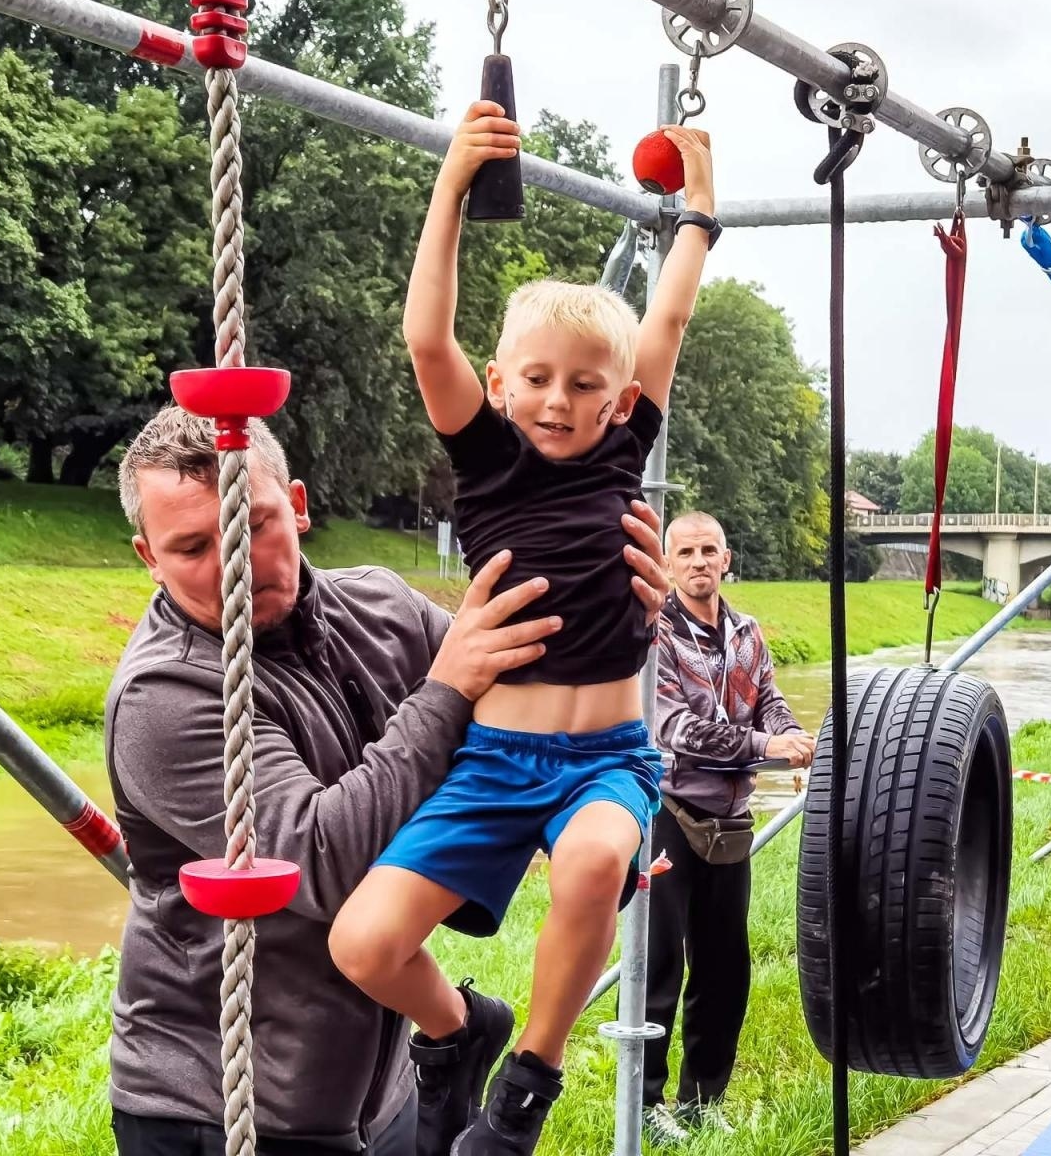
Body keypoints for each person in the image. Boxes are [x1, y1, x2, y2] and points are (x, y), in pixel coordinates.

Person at [105, 405, 670, 1156]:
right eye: (192, 546)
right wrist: (443, 689)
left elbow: (524, 716)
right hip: (225, 1106)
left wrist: (617, 609)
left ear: (299, 506)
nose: (233, 558)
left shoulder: (380, 604)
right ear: (149, 556)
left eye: (257, 522)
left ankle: (461, 1038)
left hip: (388, 1085)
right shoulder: (164, 696)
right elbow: (321, 865)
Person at [327, 101, 720, 1156]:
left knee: (595, 863)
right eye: (537, 380)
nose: (558, 400)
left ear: (616, 398)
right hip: (492, 758)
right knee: (362, 943)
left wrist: (700, 212)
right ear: (501, 385)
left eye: (585, 385)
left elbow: (669, 323)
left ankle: (526, 1087)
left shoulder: (620, 454)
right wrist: (451, 183)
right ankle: (459, 1032)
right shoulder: (485, 456)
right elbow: (424, 334)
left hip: (605, 755)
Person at [640, 511, 812, 1146]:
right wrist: (770, 746)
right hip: (666, 815)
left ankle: (702, 1100)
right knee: (658, 966)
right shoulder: (653, 635)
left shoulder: (748, 632)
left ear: (727, 558)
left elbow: (769, 697)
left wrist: (790, 732)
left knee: (725, 969)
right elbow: (679, 733)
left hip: (731, 821)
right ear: (667, 563)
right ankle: (647, 1105)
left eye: (708, 550)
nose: (697, 562)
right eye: (684, 552)